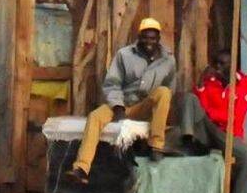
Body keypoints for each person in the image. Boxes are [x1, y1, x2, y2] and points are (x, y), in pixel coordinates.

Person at [69, 17, 176, 183]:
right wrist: (118, 107)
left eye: (153, 38)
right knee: (95, 116)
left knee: (163, 92)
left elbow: (170, 86)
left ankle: (156, 145)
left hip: (145, 106)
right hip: (123, 103)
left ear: (158, 39)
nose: (149, 41)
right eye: (145, 37)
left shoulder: (168, 59)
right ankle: (82, 168)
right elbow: (112, 83)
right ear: (139, 37)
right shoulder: (124, 55)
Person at [195, 52, 247, 193]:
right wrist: (200, 84)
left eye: (223, 64)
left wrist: (214, 116)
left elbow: (236, 116)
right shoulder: (209, 82)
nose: (218, 68)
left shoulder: (244, 83)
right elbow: (201, 107)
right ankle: (190, 140)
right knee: (190, 99)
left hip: (229, 133)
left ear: (232, 65)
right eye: (216, 64)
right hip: (208, 129)